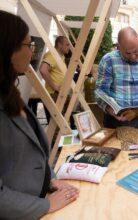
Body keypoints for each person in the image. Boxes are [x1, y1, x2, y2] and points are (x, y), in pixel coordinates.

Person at [0, 10, 79, 219]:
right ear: (8, 48)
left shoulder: (10, 93)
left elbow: (29, 154)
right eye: (28, 45)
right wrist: (44, 205)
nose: (33, 51)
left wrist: (50, 179)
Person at [95, 27, 138, 138]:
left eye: (136, 52)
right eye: (128, 53)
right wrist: (111, 110)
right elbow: (100, 92)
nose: (133, 56)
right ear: (119, 47)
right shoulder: (108, 60)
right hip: (113, 121)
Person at [39, 36, 70, 123]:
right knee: (56, 126)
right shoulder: (53, 55)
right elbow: (43, 70)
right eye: (67, 45)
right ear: (59, 45)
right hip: (54, 94)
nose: (69, 47)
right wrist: (54, 86)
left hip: (59, 94)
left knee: (61, 124)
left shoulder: (61, 56)